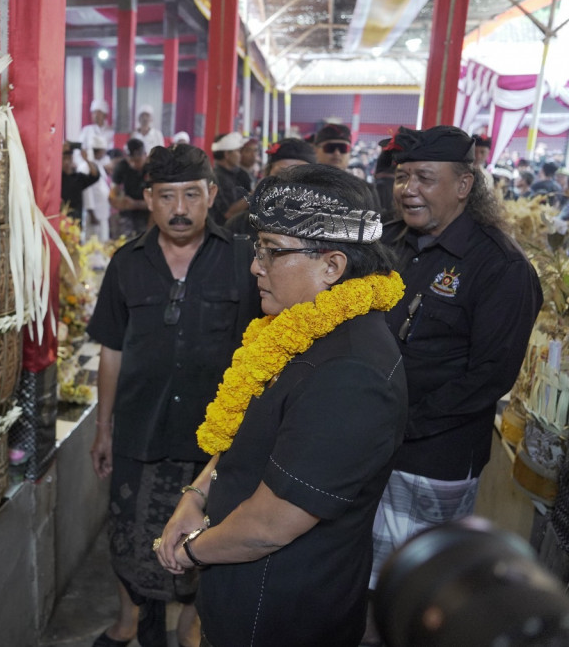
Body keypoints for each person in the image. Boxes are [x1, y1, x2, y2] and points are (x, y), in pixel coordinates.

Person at [156, 163, 407, 646]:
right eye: (258, 249)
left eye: (273, 252)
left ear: (332, 266)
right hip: (241, 587)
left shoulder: (350, 374)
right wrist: (197, 495)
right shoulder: (303, 329)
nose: (256, 265)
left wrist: (189, 552)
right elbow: (252, 436)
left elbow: (270, 525)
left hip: (280, 610)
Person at [88, 144, 260, 647]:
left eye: (191, 194)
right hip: (140, 429)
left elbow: (263, 346)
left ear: (211, 193)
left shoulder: (243, 261)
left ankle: (192, 628)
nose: (180, 208)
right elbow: (112, 349)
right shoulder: (127, 263)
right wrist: (103, 427)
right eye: (167, 196)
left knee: (207, 540)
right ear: (148, 198)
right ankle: (130, 623)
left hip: (216, 438)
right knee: (129, 535)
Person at [371, 125, 542, 600]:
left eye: (425, 178)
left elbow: (490, 376)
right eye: (402, 177)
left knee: (411, 593)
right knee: (362, 583)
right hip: (371, 447)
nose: (408, 190)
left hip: (430, 461)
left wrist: (402, 422)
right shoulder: (393, 242)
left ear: (464, 185)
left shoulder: (501, 268)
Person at [110, 138, 150, 237]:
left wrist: (135, 204)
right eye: (130, 161)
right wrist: (117, 201)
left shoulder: (153, 169)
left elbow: (158, 202)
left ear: (145, 155)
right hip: (127, 214)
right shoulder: (122, 167)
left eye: (137, 161)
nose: (133, 164)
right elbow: (112, 194)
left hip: (149, 215)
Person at [209, 132, 252, 223]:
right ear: (227, 154)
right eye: (237, 151)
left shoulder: (240, 174)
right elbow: (228, 213)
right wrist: (254, 194)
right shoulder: (217, 177)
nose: (240, 155)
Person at [61, 141, 100, 226]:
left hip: (76, 222)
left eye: (69, 158)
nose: (67, 162)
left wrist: (86, 159)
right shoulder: (58, 178)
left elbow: (95, 175)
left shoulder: (78, 178)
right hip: (60, 221)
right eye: (64, 159)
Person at [83, 134, 113, 242]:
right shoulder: (88, 167)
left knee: (103, 245)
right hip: (94, 214)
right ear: (99, 151)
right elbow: (87, 192)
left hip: (102, 212)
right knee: (93, 248)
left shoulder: (98, 165)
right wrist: (92, 213)